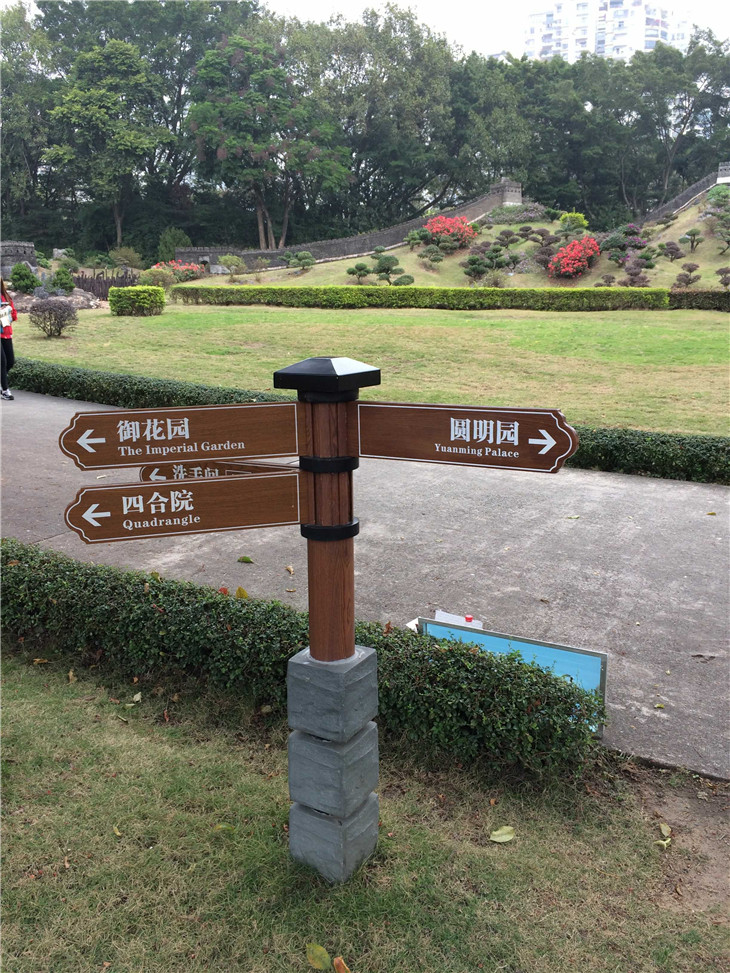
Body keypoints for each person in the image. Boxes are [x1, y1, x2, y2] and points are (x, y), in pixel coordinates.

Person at [1, 276, 17, 401]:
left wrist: (8, 311)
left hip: (6, 332)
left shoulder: (6, 296)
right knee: (2, 362)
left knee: (10, 361)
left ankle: (2, 382)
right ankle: (5, 390)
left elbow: (14, 315)